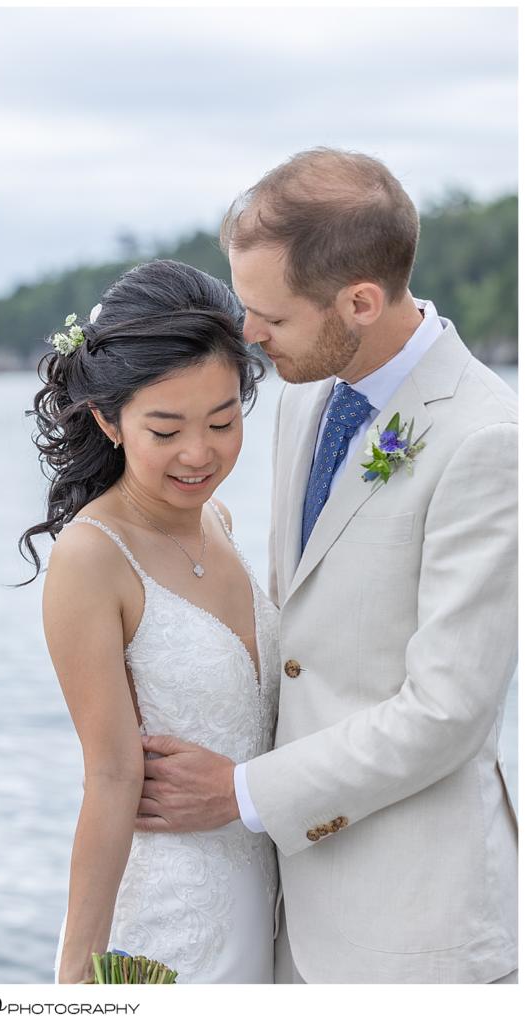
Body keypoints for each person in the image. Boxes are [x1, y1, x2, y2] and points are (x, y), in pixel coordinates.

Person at [135, 149, 518, 984]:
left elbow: (448, 712)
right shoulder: (308, 388)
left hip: (412, 929)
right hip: (280, 918)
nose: (248, 334)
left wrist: (240, 794)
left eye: (269, 314)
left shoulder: (485, 441)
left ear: (360, 301)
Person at [19, 260, 280, 984]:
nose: (199, 454)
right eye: (165, 429)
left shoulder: (220, 523)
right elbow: (107, 776)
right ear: (109, 419)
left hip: (269, 901)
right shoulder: (92, 559)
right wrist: (77, 973)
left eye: (222, 421)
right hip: (171, 923)